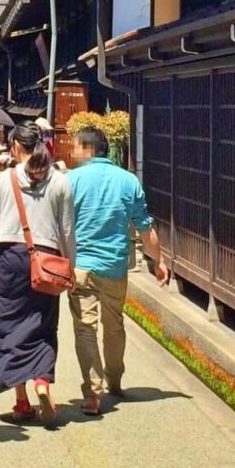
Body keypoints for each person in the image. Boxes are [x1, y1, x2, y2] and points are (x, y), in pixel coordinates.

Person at [67, 124, 171, 414]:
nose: (71, 151)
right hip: (115, 265)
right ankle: (114, 380)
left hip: (81, 266)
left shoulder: (70, 180)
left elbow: (59, 224)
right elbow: (145, 226)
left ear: (87, 149)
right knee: (114, 325)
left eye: (75, 146)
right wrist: (159, 261)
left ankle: (91, 393)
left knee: (85, 328)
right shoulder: (128, 181)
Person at [0, 123, 75, 424]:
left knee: (8, 327)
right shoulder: (60, 181)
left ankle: (21, 401)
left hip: (10, 259)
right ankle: (42, 383)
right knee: (43, 325)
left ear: (15, 148)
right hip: (47, 261)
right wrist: (69, 267)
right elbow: (66, 231)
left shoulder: (4, 179)